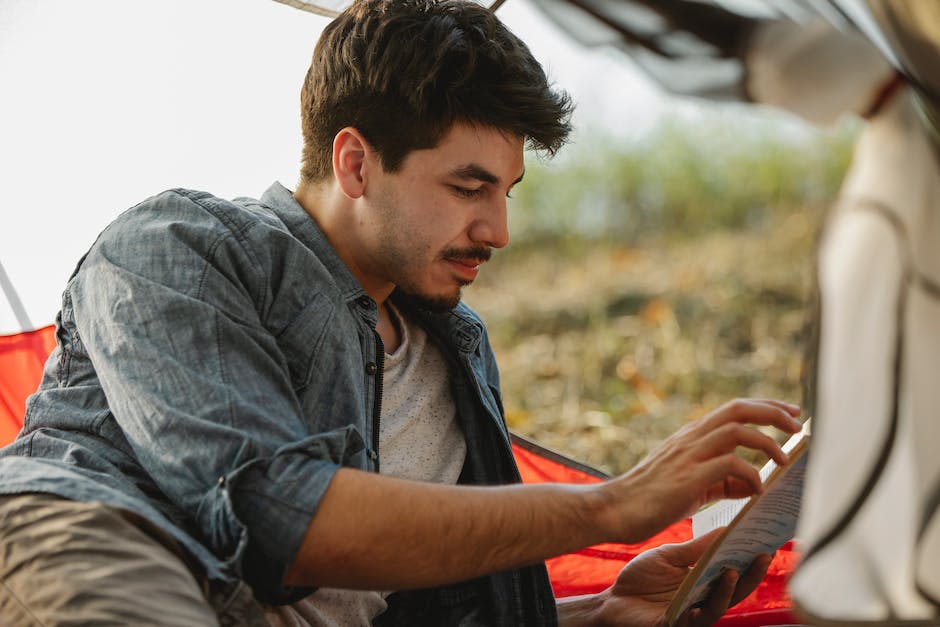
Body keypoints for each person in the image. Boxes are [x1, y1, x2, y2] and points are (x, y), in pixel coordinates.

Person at [0, 1, 802, 625]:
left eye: (507, 193)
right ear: (355, 162)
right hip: (98, 545)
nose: (499, 230)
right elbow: (278, 511)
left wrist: (600, 609)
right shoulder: (184, 244)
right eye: (468, 187)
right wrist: (611, 505)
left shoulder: (454, 349)